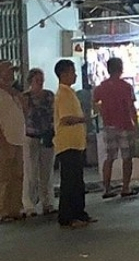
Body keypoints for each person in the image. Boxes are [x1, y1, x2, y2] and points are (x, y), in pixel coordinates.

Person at [53, 58, 92, 229]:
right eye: (72, 72)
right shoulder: (62, 94)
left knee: (77, 181)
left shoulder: (70, 92)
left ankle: (79, 213)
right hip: (67, 144)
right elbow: (66, 118)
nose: (75, 75)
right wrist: (83, 119)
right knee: (69, 182)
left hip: (75, 143)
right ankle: (67, 217)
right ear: (64, 74)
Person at [93, 57, 139, 199]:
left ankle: (106, 189)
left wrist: (103, 114)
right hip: (125, 125)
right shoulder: (126, 87)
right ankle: (125, 187)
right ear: (120, 68)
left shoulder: (101, 87)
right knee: (127, 158)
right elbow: (131, 107)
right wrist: (136, 125)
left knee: (109, 158)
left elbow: (95, 105)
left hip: (108, 126)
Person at [21, 68, 55, 217]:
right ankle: (29, 204)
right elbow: (24, 114)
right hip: (31, 136)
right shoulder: (25, 97)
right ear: (30, 81)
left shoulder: (49, 95)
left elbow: (53, 112)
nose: (40, 83)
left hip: (47, 135)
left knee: (46, 172)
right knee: (31, 172)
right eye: (37, 80)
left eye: (41, 80)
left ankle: (47, 202)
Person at [0, 60, 25, 223]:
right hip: (5, 138)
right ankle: (3, 210)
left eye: (12, 71)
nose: (11, 74)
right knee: (4, 176)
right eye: (8, 71)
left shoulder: (15, 93)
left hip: (18, 137)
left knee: (18, 175)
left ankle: (15, 208)